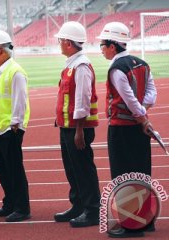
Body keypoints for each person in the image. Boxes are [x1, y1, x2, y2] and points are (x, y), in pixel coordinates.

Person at [97, 22, 157, 238]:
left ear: (113, 45)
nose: (101, 49)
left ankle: (131, 225)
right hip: (139, 130)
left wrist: (140, 115)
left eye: (103, 45)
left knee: (123, 177)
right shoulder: (141, 63)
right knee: (141, 173)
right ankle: (146, 220)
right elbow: (151, 91)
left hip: (122, 129)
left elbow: (127, 98)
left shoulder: (117, 68)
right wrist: (144, 112)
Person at [53, 21, 101, 228]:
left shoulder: (81, 66)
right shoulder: (72, 64)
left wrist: (79, 130)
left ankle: (92, 211)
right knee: (72, 169)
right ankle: (78, 205)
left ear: (70, 43)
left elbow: (82, 99)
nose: (59, 43)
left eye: (61, 40)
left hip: (77, 128)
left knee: (83, 169)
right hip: (67, 126)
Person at [0, 30, 31, 222]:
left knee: (14, 169)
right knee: (2, 169)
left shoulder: (15, 72)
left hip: (9, 130)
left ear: (0, 51)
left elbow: (20, 102)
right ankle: (9, 203)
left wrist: (16, 125)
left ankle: (22, 207)